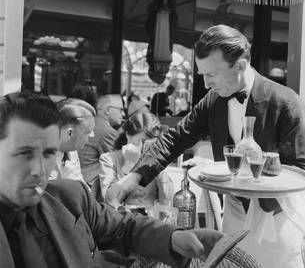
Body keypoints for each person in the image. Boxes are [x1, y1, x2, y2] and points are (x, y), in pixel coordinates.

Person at [108, 25, 305, 268]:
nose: (205, 84)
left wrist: (256, 169)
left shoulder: (286, 102)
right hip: (235, 212)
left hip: (276, 217)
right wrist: (134, 176)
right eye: (202, 74)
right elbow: (177, 138)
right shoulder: (214, 100)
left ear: (240, 66)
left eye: (211, 75)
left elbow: (304, 169)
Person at [0, 91, 227, 268]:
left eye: (49, 153)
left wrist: (174, 238)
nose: (39, 170)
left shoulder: (70, 197)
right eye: (24, 153)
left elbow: (125, 227)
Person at [100, 112, 174, 207]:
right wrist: (128, 167)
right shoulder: (109, 159)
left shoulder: (156, 157)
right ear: (127, 135)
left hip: (151, 217)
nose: (145, 149)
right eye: (141, 141)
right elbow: (110, 201)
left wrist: (161, 172)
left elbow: (168, 203)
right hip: (122, 218)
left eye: (151, 145)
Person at [78, 94, 125, 187]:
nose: (123, 114)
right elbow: (118, 164)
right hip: (93, 184)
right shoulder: (107, 131)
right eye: (121, 110)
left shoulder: (94, 123)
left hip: (82, 178)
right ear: (108, 110)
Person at [49, 98, 96, 182]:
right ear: (69, 133)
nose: (92, 135)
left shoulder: (71, 150)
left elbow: (81, 188)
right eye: (88, 131)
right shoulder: (39, 155)